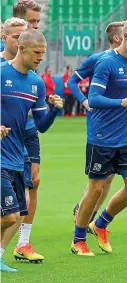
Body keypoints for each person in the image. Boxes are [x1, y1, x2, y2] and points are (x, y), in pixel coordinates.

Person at [72, 18, 127, 256]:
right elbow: (95, 99)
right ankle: (78, 239)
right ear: (125, 37)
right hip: (102, 137)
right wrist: (121, 102)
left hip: (126, 137)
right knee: (96, 189)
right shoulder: (106, 63)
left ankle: (100, 224)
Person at [0, 29, 63, 272]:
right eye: (37, 53)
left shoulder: (36, 84)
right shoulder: (2, 72)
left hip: (18, 158)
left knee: (15, 214)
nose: (40, 58)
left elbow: (40, 126)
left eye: (43, 53)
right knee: (9, 216)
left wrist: (54, 110)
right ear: (21, 49)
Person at [70, 21, 125, 226]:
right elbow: (71, 82)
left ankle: (89, 214)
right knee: (99, 180)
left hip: (120, 125)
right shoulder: (98, 59)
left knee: (109, 178)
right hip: (100, 124)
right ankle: (84, 216)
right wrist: (84, 101)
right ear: (118, 38)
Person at [7, 0, 46, 264]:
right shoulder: (6, 60)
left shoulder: (34, 64)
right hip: (6, 134)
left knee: (33, 182)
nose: (35, 27)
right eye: (32, 22)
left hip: (27, 132)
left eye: (37, 23)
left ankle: (22, 242)